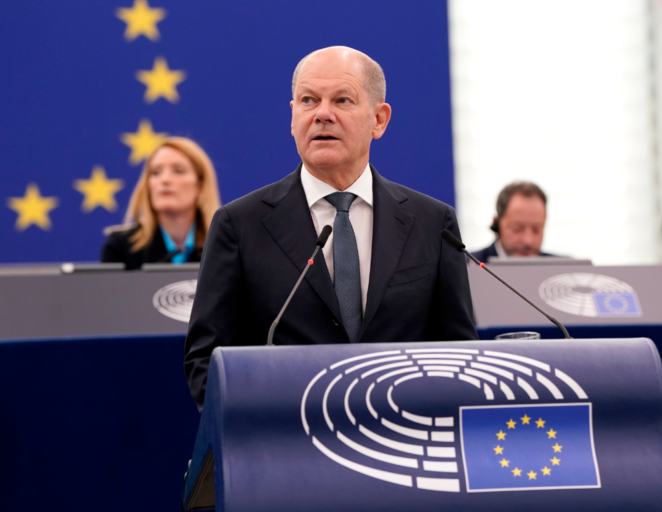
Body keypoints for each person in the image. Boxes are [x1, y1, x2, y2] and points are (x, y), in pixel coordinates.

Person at [184, 46, 477, 411]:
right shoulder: (239, 225)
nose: (322, 114)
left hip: (405, 435)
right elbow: (206, 363)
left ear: (379, 119)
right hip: (286, 435)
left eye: (342, 100)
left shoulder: (433, 223)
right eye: (308, 100)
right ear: (293, 117)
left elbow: (459, 351)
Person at [101, 137, 222, 270]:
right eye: (156, 172)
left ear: (200, 186)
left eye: (178, 171)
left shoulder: (224, 246)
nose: (164, 180)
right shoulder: (120, 246)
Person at [472, 181, 556, 262]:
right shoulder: (468, 266)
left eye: (536, 230)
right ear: (497, 224)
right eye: (517, 229)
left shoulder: (561, 268)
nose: (528, 241)